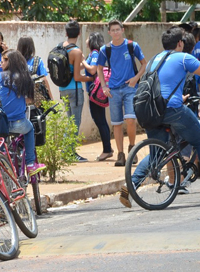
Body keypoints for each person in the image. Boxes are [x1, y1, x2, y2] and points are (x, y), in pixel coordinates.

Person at [121, 27, 200, 208]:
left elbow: (159, 86)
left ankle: (130, 185)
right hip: (171, 109)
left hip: (151, 111)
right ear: (180, 43)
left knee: (157, 153)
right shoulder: (184, 57)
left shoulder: (155, 59)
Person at [97, 19, 147, 167]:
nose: (116, 32)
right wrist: (104, 86)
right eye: (113, 30)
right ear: (109, 33)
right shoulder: (105, 49)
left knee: (131, 119)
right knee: (117, 123)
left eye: (118, 29)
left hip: (130, 88)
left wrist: (135, 78)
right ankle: (120, 154)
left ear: (122, 30)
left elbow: (144, 63)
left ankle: (132, 148)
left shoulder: (132, 46)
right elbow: (99, 68)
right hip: (113, 90)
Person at [0, 51, 46, 175]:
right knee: (29, 130)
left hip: (0, 124)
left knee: (0, 144)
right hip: (18, 123)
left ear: (9, 61)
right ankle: (30, 164)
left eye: (3, 60)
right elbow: (30, 100)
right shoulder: (24, 77)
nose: (1, 62)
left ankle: (0, 165)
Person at [56, 20, 94, 162]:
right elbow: (77, 76)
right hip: (75, 90)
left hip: (63, 89)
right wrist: (91, 79)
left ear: (66, 33)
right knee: (75, 122)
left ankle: (66, 151)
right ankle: (69, 152)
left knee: (69, 120)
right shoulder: (76, 51)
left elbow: (72, 69)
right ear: (79, 33)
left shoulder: (60, 47)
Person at [82, 32, 114, 161]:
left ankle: (107, 150)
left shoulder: (95, 53)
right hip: (95, 91)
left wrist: (83, 60)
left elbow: (93, 70)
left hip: (96, 91)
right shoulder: (93, 54)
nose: (86, 40)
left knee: (99, 120)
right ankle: (108, 148)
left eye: (88, 37)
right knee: (100, 119)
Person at [16, 36, 52, 107]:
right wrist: (50, 98)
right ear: (32, 47)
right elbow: (44, 79)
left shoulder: (16, 62)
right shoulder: (37, 60)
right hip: (36, 100)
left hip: (20, 100)